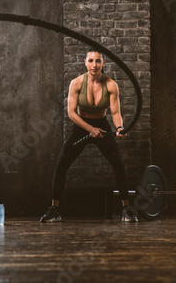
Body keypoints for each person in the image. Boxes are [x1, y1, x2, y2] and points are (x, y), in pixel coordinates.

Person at [40, 48, 138, 222]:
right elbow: (71, 113)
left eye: (98, 61)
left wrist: (119, 127)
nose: (94, 64)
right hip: (81, 126)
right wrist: (89, 129)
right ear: (85, 62)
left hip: (102, 125)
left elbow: (115, 113)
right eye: (91, 61)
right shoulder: (76, 83)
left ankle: (126, 208)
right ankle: (54, 210)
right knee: (62, 164)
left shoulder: (111, 85)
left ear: (103, 63)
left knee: (119, 165)